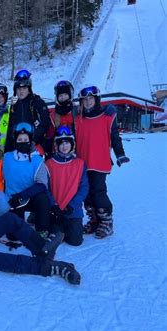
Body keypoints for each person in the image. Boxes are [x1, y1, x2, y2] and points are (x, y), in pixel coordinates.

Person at [75, 85, 130, 238]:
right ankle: (94, 220)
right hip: (82, 162)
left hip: (99, 162)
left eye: (90, 98)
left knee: (98, 192)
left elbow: (115, 137)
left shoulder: (106, 116)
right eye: (84, 99)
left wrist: (120, 154)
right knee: (86, 192)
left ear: (96, 99)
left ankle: (106, 222)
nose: (87, 102)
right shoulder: (78, 118)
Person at [3, 122, 51, 237]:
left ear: (30, 140)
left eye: (25, 139)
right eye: (20, 139)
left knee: (43, 198)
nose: (23, 142)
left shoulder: (37, 160)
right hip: (12, 200)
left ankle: (42, 230)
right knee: (14, 236)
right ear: (15, 140)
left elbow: (42, 185)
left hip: (29, 198)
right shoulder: (6, 157)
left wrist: (21, 196)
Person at [46, 126, 88, 246]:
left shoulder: (79, 164)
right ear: (56, 145)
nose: (64, 146)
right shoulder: (49, 164)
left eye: (67, 143)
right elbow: (46, 188)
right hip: (56, 210)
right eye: (61, 143)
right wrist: (53, 205)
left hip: (73, 210)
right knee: (54, 239)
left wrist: (72, 205)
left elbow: (84, 188)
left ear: (72, 144)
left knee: (75, 241)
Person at [5, 69, 50, 154]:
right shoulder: (14, 106)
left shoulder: (37, 102)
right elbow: (10, 129)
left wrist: (33, 140)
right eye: (18, 88)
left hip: (35, 146)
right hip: (17, 146)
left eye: (24, 88)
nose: (21, 91)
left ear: (29, 89)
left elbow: (45, 123)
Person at [47, 80, 76, 157]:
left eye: (65, 94)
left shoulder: (77, 112)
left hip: (75, 152)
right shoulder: (53, 115)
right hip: (59, 153)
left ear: (70, 95)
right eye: (60, 95)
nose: (63, 97)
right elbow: (50, 136)